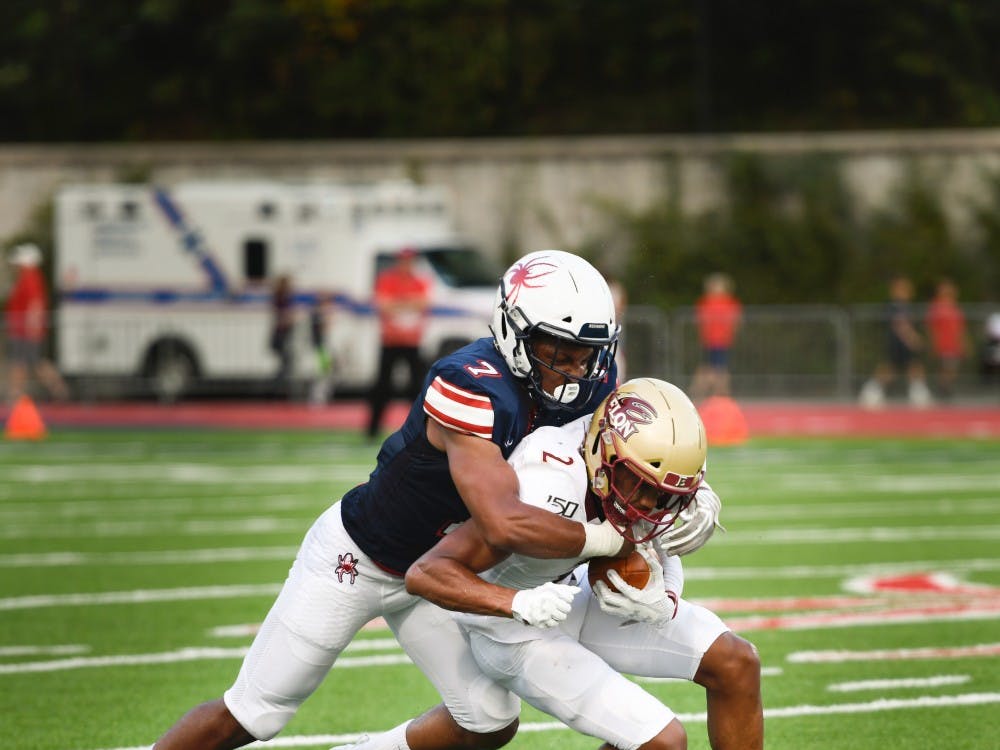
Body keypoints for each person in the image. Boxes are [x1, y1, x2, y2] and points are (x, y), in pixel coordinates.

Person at [151, 249, 631, 750]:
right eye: (560, 351)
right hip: (359, 559)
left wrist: (666, 522)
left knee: (488, 719)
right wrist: (606, 541)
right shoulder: (469, 383)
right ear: (514, 332)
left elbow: (620, 467)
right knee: (256, 713)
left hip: (436, 572)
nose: (576, 370)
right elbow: (502, 522)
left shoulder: (591, 385)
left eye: (587, 353)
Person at [366, 378, 762, 750]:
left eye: (662, 496)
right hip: (512, 631)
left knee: (736, 662)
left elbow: (652, 539)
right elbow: (427, 572)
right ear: (604, 452)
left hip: (573, 592)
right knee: (664, 742)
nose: (646, 504)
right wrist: (516, 603)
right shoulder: (545, 482)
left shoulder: (630, 461)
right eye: (639, 485)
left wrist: (666, 596)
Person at [367, 247, 432, 439]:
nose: (406, 265)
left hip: (412, 342)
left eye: (409, 261)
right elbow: (383, 305)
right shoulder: (387, 279)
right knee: (382, 386)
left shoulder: (419, 281)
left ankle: (420, 427)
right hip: (390, 341)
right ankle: (372, 429)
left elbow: (424, 303)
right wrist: (408, 303)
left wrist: (398, 303)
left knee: (416, 387)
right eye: (403, 261)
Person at [3, 243, 69, 403]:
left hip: (24, 330)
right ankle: (57, 389)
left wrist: (32, 327)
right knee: (29, 363)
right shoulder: (28, 277)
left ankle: (17, 395)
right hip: (22, 329)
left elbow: (35, 304)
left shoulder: (30, 277)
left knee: (24, 363)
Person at [858, 274, 933, 408]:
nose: (908, 291)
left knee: (913, 366)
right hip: (898, 342)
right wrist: (913, 339)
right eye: (903, 288)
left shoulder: (904, 306)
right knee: (891, 368)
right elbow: (900, 325)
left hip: (903, 343)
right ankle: (871, 393)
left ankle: (918, 394)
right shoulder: (895, 306)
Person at [690, 272, 742, 400]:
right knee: (711, 367)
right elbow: (699, 318)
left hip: (722, 341)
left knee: (718, 367)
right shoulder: (705, 301)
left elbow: (736, 319)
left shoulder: (729, 302)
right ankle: (709, 392)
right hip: (709, 340)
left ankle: (720, 392)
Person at [925, 277, 967, 401]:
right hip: (943, 343)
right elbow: (931, 326)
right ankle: (943, 390)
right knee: (946, 368)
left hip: (954, 343)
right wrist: (933, 342)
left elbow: (960, 327)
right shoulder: (936, 306)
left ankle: (945, 389)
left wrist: (963, 342)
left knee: (952, 368)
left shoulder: (955, 306)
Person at [269, 274, 295, 397]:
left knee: (286, 362)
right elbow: (282, 316)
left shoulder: (281, 298)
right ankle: (277, 388)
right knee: (287, 361)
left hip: (281, 334)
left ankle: (279, 387)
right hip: (280, 335)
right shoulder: (281, 298)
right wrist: (290, 319)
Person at [309, 291, 336, 406]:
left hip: (324, 347)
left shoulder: (322, 314)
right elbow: (322, 330)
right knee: (322, 371)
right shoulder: (318, 314)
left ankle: (321, 396)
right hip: (321, 348)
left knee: (326, 371)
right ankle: (317, 397)